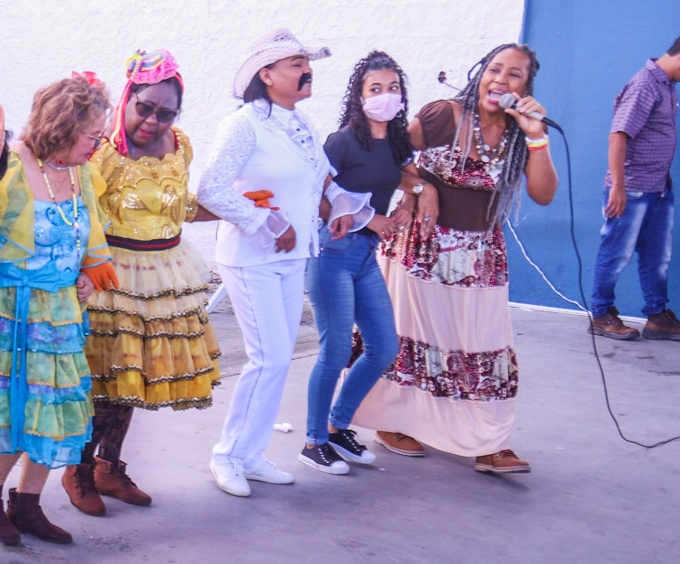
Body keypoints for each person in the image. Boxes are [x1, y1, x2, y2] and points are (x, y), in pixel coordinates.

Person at [355, 43, 557, 473]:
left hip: (480, 256)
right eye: (494, 69)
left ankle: (489, 442)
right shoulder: (445, 115)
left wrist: (537, 135)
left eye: (514, 75)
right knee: (408, 339)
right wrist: (420, 187)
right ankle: (392, 423)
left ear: (525, 88)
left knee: (483, 346)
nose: (500, 79)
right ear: (480, 73)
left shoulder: (520, 132)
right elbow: (387, 155)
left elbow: (543, 194)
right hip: (419, 249)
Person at [0, 74, 115, 545]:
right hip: (6, 311)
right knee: (13, 409)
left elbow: (88, 233)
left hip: (58, 313)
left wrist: (87, 271)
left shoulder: (82, 172)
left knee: (51, 407)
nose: (97, 145)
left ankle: (27, 505)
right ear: (63, 128)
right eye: (92, 136)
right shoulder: (6, 165)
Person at [196, 29, 343, 497]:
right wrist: (267, 222)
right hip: (251, 258)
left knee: (277, 361)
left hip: (293, 257)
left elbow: (323, 180)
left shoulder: (301, 125)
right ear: (267, 74)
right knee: (270, 357)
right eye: (296, 63)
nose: (307, 70)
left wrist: (349, 210)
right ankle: (228, 456)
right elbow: (211, 189)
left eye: (306, 63)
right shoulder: (243, 125)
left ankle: (251, 454)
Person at [75, 49, 222, 512]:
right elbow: (80, 209)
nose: (153, 121)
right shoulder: (103, 150)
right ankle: (78, 470)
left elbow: (177, 205)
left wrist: (240, 208)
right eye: (145, 108)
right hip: (110, 274)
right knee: (103, 380)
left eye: (166, 113)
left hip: (162, 275)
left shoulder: (180, 145)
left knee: (133, 376)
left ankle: (108, 467)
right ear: (127, 98)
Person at [300, 51, 414, 473]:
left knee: (383, 347)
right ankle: (313, 442)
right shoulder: (343, 140)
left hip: (366, 255)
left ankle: (337, 426)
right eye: (375, 88)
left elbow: (413, 178)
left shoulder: (397, 142)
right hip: (333, 251)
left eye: (393, 87)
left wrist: (413, 201)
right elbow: (316, 191)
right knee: (335, 350)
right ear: (360, 96)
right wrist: (369, 218)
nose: (386, 95)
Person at [588, 29, 680, 342]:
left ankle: (657, 318)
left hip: (658, 189)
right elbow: (618, 136)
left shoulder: (666, 85)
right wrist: (618, 186)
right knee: (616, 252)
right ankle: (600, 315)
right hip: (632, 189)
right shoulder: (645, 85)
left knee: (657, 256)